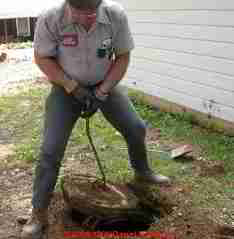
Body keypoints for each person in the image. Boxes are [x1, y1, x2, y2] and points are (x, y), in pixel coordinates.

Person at [21, 0, 170, 238]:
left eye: (93, 12)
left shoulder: (115, 15)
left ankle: (142, 172)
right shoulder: (51, 18)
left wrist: (102, 92)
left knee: (136, 127)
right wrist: (72, 87)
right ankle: (38, 212)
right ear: (69, 5)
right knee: (50, 150)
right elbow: (42, 58)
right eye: (80, 13)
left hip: (105, 84)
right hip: (64, 88)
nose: (88, 18)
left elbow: (122, 56)